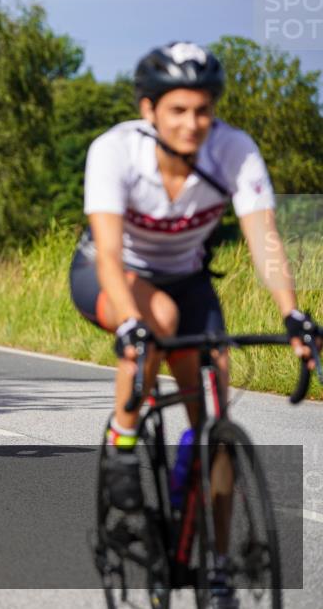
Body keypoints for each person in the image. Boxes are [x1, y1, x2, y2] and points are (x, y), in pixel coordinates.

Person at [69, 42, 319, 606]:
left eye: (203, 109)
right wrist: (131, 324)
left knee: (216, 422)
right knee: (156, 318)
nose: (192, 123)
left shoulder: (233, 149)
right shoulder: (115, 152)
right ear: (148, 109)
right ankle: (124, 441)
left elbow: (265, 238)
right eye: (178, 110)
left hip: (188, 277)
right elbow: (108, 252)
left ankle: (217, 562)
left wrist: (292, 313)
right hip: (110, 272)